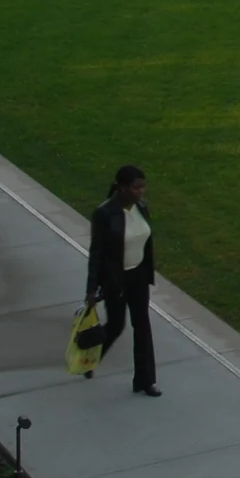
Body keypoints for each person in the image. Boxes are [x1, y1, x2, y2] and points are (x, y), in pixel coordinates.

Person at [78, 164, 158, 395]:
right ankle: (90, 358)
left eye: (143, 187)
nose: (141, 192)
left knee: (142, 326)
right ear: (122, 188)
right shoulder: (104, 213)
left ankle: (145, 380)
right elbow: (96, 253)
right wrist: (91, 289)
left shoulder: (141, 208)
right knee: (116, 325)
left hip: (139, 277)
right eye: (136, 187)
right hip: (116, 280)